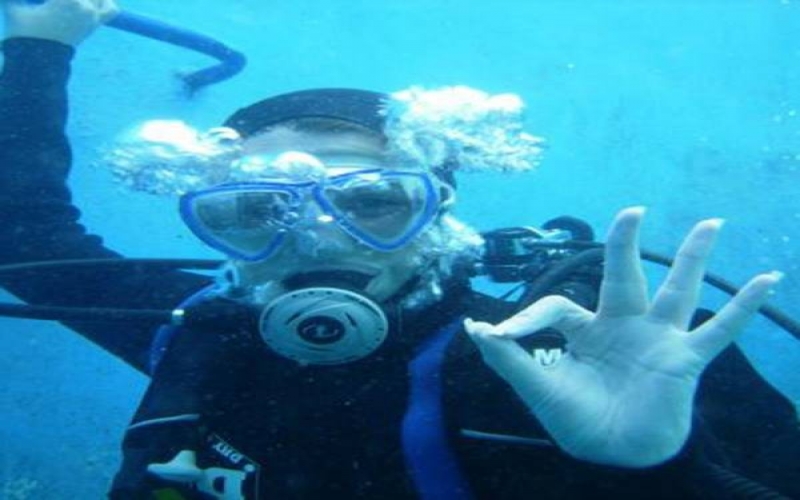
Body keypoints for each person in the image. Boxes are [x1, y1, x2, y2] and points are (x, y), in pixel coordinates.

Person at [1, 1, 798, 499]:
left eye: (374, 202)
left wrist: (663, 469)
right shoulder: (198, 340)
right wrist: (43, 44)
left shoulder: (548, 361)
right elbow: (23, 240)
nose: (317, 236)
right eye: (258, 210)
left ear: (439, 215)